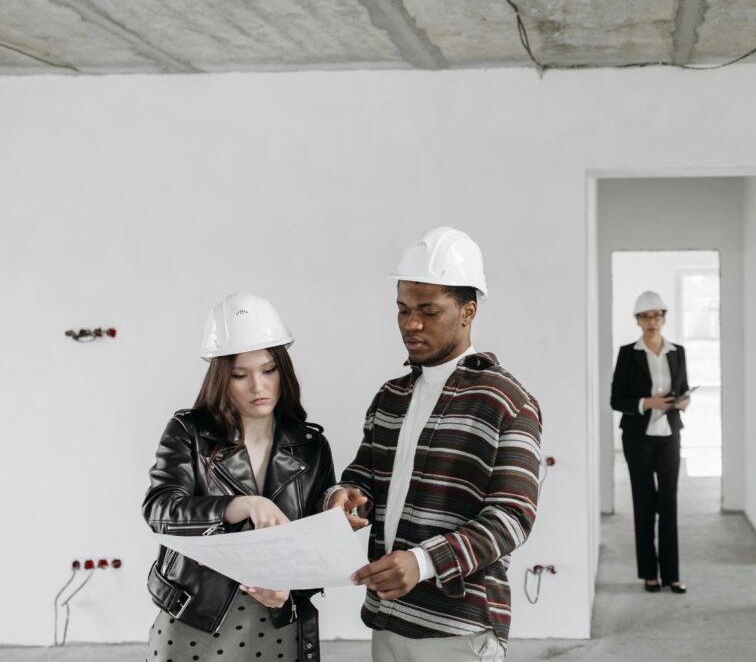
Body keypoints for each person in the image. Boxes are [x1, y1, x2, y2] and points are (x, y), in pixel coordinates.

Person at [324, 226, 542, 662]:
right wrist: (342, 498)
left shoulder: (506, 401)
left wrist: (422, 563)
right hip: (387, 616)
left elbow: (512, 517)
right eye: (402, 309)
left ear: (468, 312)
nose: (411, 323)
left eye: (428, 310)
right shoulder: (391, 396)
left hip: (459, 628)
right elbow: (361, 476)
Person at [142, 293, 336, 662]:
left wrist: (291, 590)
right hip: (195, 621)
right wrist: (241, 505)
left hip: (279, 625)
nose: (258, 387)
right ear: (221, 377)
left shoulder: (311, 446)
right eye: (240, 375)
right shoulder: (188, 431)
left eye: (268, 370)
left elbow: (321, 547)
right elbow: (160, 510)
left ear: (284, 370)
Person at [610, 290, 690, 594]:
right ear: (638, 321)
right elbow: (617, 399)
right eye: (645, 316)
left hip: (670, 436)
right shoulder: (628, 353)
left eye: (657, 315)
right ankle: (649, 573)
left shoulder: (677, 352)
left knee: (668, 504)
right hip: (637, 438)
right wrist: (648, 402)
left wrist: (682, 402)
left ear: (664, 317)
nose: (652, 321)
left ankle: (672, 574)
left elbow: (682, 388)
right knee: (643, 503)